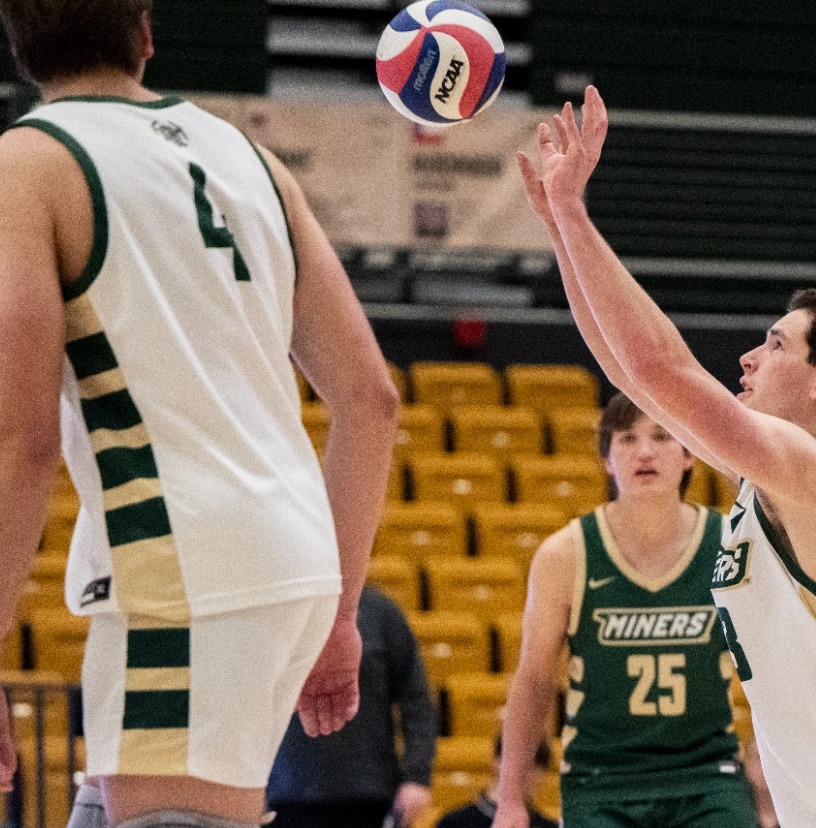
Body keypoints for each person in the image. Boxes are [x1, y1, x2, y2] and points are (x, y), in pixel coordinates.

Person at [514, 86, 816, 827]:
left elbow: (659, 373)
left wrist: (578, 217)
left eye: (774, 344)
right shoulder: (767, 483)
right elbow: (628, 373)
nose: (748, 357)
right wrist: (559, 230)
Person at [0, 2, 400, 826]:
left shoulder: (29, 163)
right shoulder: (247, 155)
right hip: (282, 562)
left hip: (183, 573)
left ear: (19, 45)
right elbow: (370, 399)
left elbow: (24, 437)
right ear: (145, 36)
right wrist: (337, 610)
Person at [492, 393, 776, 828]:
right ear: (607, 460)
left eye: (662, 436)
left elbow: (777, 672)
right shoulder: (565, 554)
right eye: (627, 439)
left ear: (688, 457)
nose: (645, 451)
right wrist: (511, 798)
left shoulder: (729, 545)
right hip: (601, 780)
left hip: (706, 776)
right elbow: (533, 680)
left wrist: (767, 781)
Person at [267, 584, 437, 828]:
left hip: (369, 792)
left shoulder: (382, 613)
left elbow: (417, 701)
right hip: (286, 793)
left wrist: (417, 777)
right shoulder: (278, 608)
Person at [438, 738, 556, 828]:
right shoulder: (454, 823)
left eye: (537, 766)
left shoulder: (547, 826)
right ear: (497, 762)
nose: (532, 774)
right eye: (524, 765)